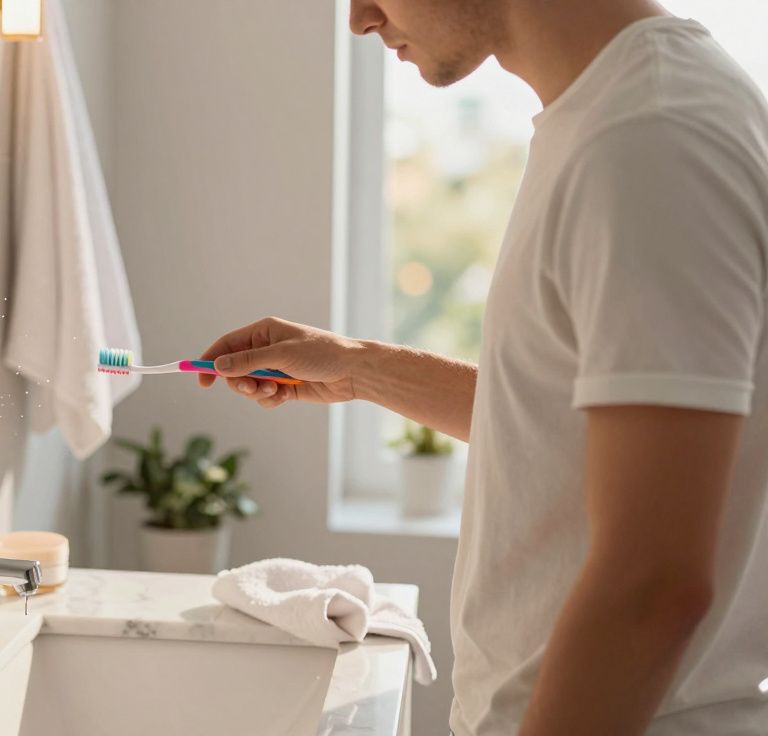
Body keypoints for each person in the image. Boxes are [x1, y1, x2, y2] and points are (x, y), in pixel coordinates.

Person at [199, 1, 768, 734]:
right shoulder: (617, 115)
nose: (360, 17)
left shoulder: (651, 140)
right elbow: (565, 425)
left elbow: (652, 587)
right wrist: (359, 368)